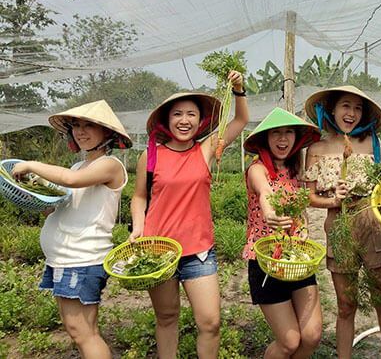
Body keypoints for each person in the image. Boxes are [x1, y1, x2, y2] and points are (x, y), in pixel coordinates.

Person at [129, 71, 248, 359]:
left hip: (199, 252)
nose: (185, 120)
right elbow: (139, 197)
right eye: (178, 114)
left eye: (191, 114)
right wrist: (137, 229)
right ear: (167, 120)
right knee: (167, 318)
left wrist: (239, 89)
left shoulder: (206, 149)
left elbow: (240, 121)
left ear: (200, 119)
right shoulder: (151, 155)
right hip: (159, 251)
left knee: (211, 323)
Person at [12, 100, 132, 359]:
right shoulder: (79, 166)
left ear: (107, 133)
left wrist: (31, 164)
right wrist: (38, 198)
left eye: (89, 125)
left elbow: (69, 181)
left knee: (81, 332)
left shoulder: (110, 165)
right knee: (83, 329)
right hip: (65, 258)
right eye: (76, 126)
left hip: (82, 259)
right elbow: (60, 207)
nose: (81, 131)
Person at [302, 85, 381, 359]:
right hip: (338, 228)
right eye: (345, 106)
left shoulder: (374, 144)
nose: (351, 113)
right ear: (332, 110)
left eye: (357, 108)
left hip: (375, 228)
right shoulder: (317, 147)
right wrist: (334, 201)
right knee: (346, 304)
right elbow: (310, 196)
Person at [242, 107, 323, 359]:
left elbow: (301, 210)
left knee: (311, 336)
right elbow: (265, 191)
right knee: (289, 342)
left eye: (288, 133)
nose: (283, 139)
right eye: (275, 133)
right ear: (265, 139)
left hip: (296, 261)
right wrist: (269, 212)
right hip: (265, 262)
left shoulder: (295, 172)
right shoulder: (258, 168)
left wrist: (304, 228)